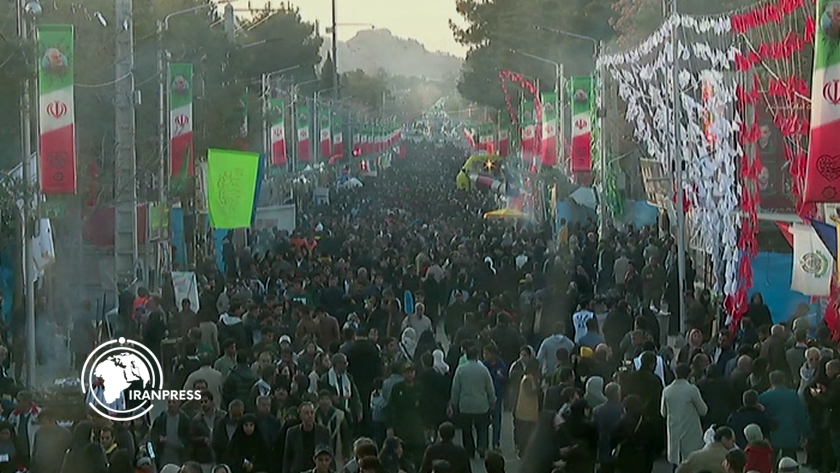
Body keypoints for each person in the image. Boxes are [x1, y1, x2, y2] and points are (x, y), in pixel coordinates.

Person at [449, 345, 495, 459]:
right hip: (481, 404)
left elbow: (455, 388)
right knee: (482, 427)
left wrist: (454, 402)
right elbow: (489, 387)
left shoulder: (460, 370)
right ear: (477, 356)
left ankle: (469, 450)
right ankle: (482, 446)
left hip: (465, 404)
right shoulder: (483, 369)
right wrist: (492, 401)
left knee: (466, 429)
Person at [661, 363, 708, 467]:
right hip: (690, 431)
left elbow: (663, 412)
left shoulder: (667, 391)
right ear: (689, 374)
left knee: (676, 462)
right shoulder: (692, 390)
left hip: (674, 430)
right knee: (691, 463)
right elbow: (703, 410)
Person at [757, 370, 810, 459]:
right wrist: (805, 433)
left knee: (771, 461)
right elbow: (800, 415)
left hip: (772, 436)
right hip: (791, 435)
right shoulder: (793, 395)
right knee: (790, 462)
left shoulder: (763, 397)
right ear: (784, 380)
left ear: (771, 381)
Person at [282, 402, 330, 473]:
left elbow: (329, 454)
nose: (310, 416)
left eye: (312, 413)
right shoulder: (292, 432)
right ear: (300, 415)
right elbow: (287, 458)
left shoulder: (323, 432)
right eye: (306, 413)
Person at [30, 408, 71, 473]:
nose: (41, 426)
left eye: (44, 423)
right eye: (40, 423)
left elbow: (68, 455)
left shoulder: (64, 434)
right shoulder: (39, 433)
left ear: (52, 420)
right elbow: (35, 451)